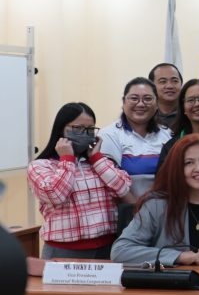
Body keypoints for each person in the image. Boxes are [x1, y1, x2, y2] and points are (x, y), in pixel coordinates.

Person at [112, 134, 199, 266]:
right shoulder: (156, 204)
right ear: (176, 168)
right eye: (189, 163)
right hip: (169, 287)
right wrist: (178, 257)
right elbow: (120, 251)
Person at [28, 102, 131, 259]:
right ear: (61, 129)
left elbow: (123, 188)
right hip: (62, 252)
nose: (84, 134)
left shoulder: (98, 163)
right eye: (77, 129)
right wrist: (67, 159)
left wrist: (96, 157)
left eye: (90, 130)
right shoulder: (41, 165)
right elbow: (55, 196)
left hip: (107, 248)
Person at [99, 77, 172, 204]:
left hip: (166, 210)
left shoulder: (168, 134)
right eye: (134, 98)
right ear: (123, 102)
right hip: (126, 213)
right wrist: (138, 210)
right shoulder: (108, 135)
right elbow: (110, 180)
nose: (141, 104)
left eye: (148, 99)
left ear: (157, 103)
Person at [156, 78, 199, 170]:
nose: (197, 104)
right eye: (190, 100)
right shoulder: (172, 147)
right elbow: (164, 181)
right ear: (183, 107)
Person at [149, 62, 183, 129]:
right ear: (151, 86)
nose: (170, 86)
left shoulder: (189, 113)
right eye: (163, 81)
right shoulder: (146, 116)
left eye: (175, 81)